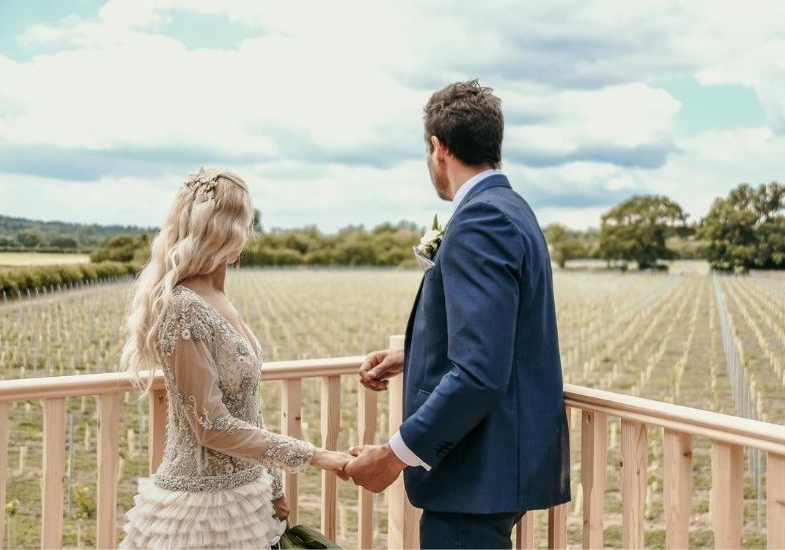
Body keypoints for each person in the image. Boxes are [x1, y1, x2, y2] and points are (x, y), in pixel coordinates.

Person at [345, 80, 571, 549]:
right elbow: (495, 331)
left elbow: (478, 373)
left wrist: (393, 455)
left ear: (438, 148)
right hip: (495, 469)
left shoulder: (479, 222)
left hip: (474, 475)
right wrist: (414, 352)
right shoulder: (514, 209)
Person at [118, 168, 351, 549]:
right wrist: (320, 456)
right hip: (199, 511)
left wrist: (272, 484)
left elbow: (247, 410)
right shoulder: (181, 307)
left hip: (246, 500)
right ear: (229, 230)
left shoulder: (221, 301)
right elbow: (212, 425)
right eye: (245, 222)